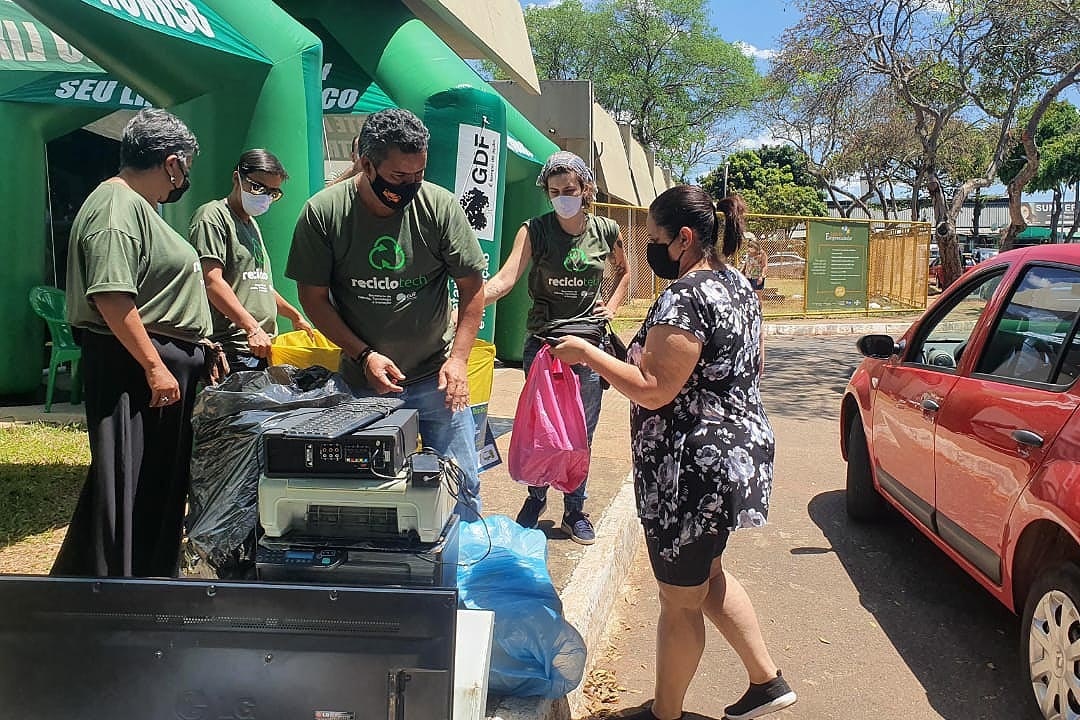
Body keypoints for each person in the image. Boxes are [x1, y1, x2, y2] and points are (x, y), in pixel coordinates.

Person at [549, 186, 796, 720]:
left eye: (656, 240)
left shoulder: (685, 296)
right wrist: (611, 342)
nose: (650, 251)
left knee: (678, 601)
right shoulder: (736, 285)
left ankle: (666, 715)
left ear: (684, 239)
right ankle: (767, 682)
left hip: (690, 471)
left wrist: (587, 355)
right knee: (705, 577)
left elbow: (655, 388)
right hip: (728, 458)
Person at [287, 108, 486, 516]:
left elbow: (472, 288)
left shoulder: (440, 207)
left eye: (419, 174)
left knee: (461, 486)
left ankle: (458, 572)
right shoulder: (324, 214)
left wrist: (460, 360)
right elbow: (313, 298)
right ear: (366, 164)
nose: (411, 185)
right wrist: (364, 354)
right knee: (368, 497)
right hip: (364, 384)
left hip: (436, 377)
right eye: (399, 177)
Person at [54, 108, 214, 578]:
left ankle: (145, 580)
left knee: (152, 486)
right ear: (172, 162)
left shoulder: (136, 207)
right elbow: (109, 294)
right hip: (135, 368)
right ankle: (107, 590)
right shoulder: (116, 208)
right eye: (185, 169)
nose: (181, 183)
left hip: (158, 363)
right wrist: (153, 365)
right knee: (126, 483)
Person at [483, 150, 629, 544]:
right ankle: (536, 498)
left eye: (570, 189)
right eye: (554, 190)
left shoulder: (607, 230)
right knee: (544, 432)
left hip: (589, 348)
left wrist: (610, 308)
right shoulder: (534, 230)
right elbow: (507, 278)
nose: (563, 196)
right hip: (544, 347)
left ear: (585, 189)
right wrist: (473, 298)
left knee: (581, 434)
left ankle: (574, 510)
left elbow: (625, 272)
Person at [188, 149, 313, 371]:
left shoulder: (251, 224)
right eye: (258, 187)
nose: (265, 197)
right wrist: (252, 328)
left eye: (273, 193)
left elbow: (260, 285)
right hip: (235, 349)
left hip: (265, 347)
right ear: (237, 178)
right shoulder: (213, 216)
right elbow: (211, 281)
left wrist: (295, 316)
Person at [740, 233, 767, 298]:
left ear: (756, 246)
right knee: (748, 295)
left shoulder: (762, 254)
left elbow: (764, 266)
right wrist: (740, 272)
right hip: (748, 276)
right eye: (749, 246)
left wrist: (761, 277)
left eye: (751, 247)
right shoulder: (748, 254)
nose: (749, 248)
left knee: (757, 297)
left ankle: (759, 308)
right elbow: (746, 264)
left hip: (757, 277)